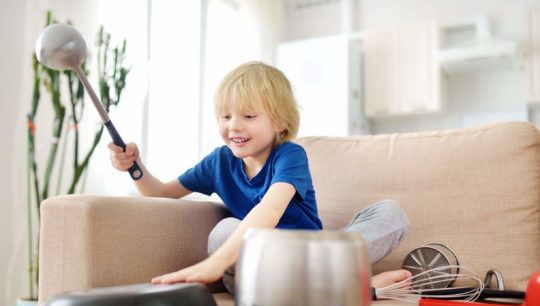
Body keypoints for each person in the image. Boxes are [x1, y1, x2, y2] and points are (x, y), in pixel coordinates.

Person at [109, 61, 411, 293]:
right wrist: (134, 167)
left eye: (248, 116)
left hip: (312, 255)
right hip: (260, 266)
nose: (234, 127)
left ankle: (328, 285)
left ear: (279, 123)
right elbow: (160, 193)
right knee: (225, 231)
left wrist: (216, 263)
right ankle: (349, 287)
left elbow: (270, 208)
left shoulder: (289, 155)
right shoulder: (218, 162)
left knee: (390, 213)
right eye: (225, 117)